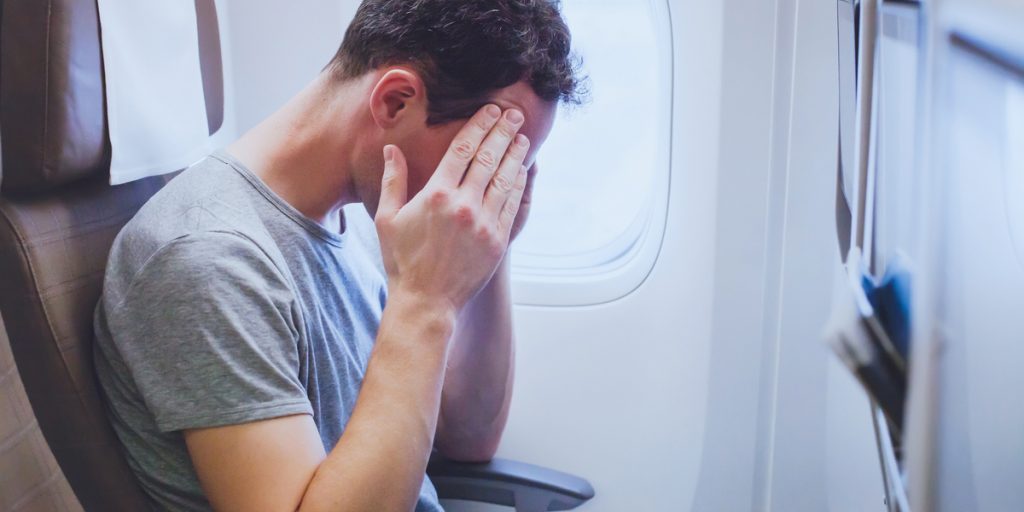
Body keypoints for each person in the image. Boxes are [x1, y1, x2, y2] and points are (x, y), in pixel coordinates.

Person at [92, 0, 583, 510]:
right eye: (487, 157)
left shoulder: (376, 220)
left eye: (508, 166)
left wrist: (492, 243)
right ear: (395, 102)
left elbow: (470, 435)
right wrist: (423, 305)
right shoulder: (209, 260)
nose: (491, 184)